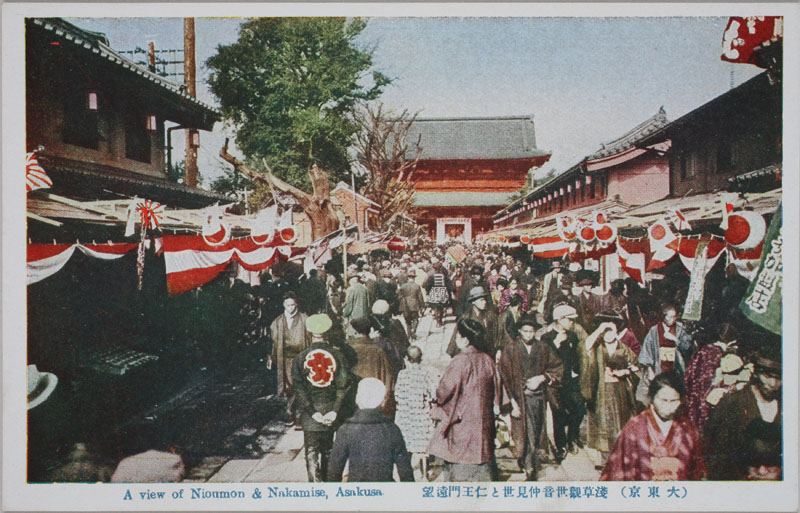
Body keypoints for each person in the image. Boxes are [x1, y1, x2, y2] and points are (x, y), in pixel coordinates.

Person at [427, 319, 501, 482]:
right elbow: (498, 389)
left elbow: (444, 391)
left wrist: (436, 396)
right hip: (484, 423)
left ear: (465, 339)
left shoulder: (460, 361)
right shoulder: (487, 359)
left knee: (460, 465)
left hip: (463, 422)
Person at [601, 372, 706, 481]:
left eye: (674, 401)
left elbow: (697, 470)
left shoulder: (688, 429)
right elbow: (618, 470)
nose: (668, 406)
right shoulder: (635, 427)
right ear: (652, 398)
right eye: (663, 400)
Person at [703, 343, 782, 480]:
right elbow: (714, 451)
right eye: (768, 376)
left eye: (779, 378)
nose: (773, 384)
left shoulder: (787, 407)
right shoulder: (732, 404)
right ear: (756, 373)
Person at [498, 317, 564, 480]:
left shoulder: (542, 347)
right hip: (519, 398)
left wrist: (542, 377)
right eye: (525, 331)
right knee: (524, 434)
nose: (528, 334)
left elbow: (557, 366)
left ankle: (529, 462)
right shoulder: (511, 349)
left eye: (532, 331)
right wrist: (512, 403)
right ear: (519, 332)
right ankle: (528, 465)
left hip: (538, 399)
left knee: (535, 432)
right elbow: (504, 377)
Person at [291, 314, 351, 482]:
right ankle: (330, 484)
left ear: (310, 332)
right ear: (328, 332)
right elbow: (343, 385)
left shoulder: (300, 358)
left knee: (311, 452)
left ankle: (314, 486)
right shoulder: (338, 356)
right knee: (328, 450)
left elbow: (298, 388)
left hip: (311, 414)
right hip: (331, 409)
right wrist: (334, 411)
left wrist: (311, 411)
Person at [327, 378, 415, 482]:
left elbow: (334, 471)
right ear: (383, 401)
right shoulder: (392, 429)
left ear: (357, 399)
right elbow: (405, 472)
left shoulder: (346, 429)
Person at [580, 318, 639, 459]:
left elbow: (636, 367)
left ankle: (619, 455)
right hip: (602, 389)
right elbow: (585, 347)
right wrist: (600, 328)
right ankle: (605, 458)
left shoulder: (623, 348)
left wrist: (626, 372)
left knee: (620, 422)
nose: (609, 335)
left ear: (617, 332)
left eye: (611, 331)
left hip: (620, 390)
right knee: (604, 423)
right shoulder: (598, 347)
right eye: (605, 332)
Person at [541, 304, 585, 461]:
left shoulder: (572, 336)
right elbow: (544, 359)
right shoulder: (547, 338)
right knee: (558, 413)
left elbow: (577, 357)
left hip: (570, 381)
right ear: (560, 319)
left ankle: (572, 437)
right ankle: (561, 445)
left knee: (578, 409)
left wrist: (577, 372)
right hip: (554, 383)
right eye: (570, 320)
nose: (572, 323)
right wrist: (556, 344)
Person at [393, 345, 440, 481]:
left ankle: (406, 475)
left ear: (407, 359)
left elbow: (398, 395)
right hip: (421, 415)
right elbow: (432, 395)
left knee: (406, 446)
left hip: (406, 415)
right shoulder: (425, 374)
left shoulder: (402, 375)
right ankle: (424, 475)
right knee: (422, 449)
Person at [684, 322, 740, 431]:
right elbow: (711, 385)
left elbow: (689, 375)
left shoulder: (703, 350)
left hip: (691, 398)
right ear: (731, 342)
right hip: (704, 403)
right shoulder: (718, 356)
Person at [636, 304, 695, 406]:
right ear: (663, 316)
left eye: (674, 317)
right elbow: (647, 350)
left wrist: (675, 340)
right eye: (669, 316)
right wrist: (650, 370)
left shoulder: (680, 329)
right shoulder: (654, 331)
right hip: (658, 368)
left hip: (675, 369)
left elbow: (688, 348)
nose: (672, 319)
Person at [268, 292, 311, 424]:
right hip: (285, 358)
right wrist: (271, 357)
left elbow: (310, 338)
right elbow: (273, 342)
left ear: (296, 304)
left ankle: (294, 412)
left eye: (293, 305)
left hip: (300, 357)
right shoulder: (277, 322)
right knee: (288, 386)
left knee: (298, 384)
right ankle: (292, 411)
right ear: (284, 305)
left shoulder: (304, 319)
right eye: (288, 305)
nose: (291, 308)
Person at [348, 317, 396, 416]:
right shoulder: (378, 350)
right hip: (372, 397)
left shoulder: (348, 348)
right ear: (369, 330)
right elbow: (387, 376)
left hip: (350, 397)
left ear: (354, 331)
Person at [446, 287, 501, 357]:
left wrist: (499, 350)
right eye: (481, 300)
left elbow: (498, 334)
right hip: (473, 355)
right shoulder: (466, 318)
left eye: (485, 300)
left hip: (489, 354)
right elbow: (457, 339)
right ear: (473, 302)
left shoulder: (491, 316)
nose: (484, 302)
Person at [397, 269, 425, 340]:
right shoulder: (417, 286)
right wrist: (422, 305)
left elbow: (399, 296)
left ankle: (409, 334)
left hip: (405, 305)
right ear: (414, 278)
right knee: (416, 319)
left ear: (408, 277)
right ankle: (413, 331)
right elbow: (420, 297)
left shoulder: (403, 286)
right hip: (414, 304)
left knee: (407, 321)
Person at [423, 259, 453, 326]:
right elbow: (449, 285)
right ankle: (440, 320)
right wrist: (448, 292)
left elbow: (426, 285)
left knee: (436, 307)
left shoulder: (431, 276)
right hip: (442, 292)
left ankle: (437, 321)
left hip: (434, 292)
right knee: (441, 307)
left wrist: (428, 291)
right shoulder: (444, 276)